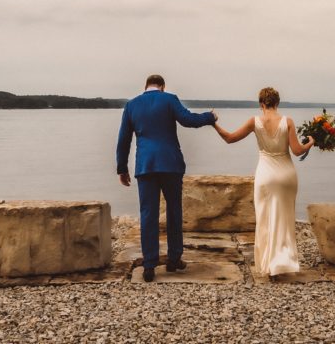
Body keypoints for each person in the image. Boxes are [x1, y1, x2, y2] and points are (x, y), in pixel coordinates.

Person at [116, 74, 218, 282]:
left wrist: (122, 168)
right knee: (174, 212)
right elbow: (189, 120)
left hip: (146, 166)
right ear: (162, 87)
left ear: (145, 86)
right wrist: (210, 117)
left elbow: (123, 140)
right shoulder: (170, 99)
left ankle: (150, 265)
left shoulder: (131, 105)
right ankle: (173, 260)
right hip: (171, 164)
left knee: (148, 215)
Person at [212, 87, 314, 278]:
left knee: (265, 219)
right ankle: (283, 262)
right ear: (277, 103)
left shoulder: (254, 121)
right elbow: (298, 151)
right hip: (286, 175)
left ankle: (269, 265)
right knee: (284, 219)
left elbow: (230, 138)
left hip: (265, 176)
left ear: (261, 104)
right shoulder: (287, 121)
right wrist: (310, 143)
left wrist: (214, 124)